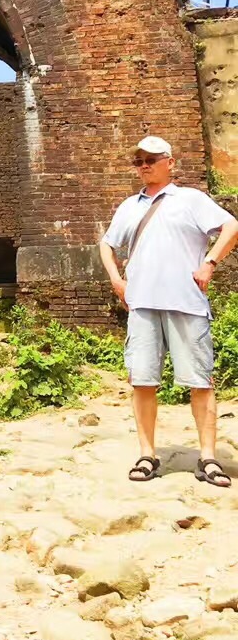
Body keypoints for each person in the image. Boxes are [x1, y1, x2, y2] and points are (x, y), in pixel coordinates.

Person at [99, 134, 238, 488]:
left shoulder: (189, 199)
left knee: (200, 382)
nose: (144, 166)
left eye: (151, 159)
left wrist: (209, 262)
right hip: (142, 304)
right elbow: (107, 244)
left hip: (185, 302)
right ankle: (147, 454)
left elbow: (231, 226)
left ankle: (208, 458)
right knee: (143, 381)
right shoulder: (130, 206)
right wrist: (117, 280)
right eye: (139, 161)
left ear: (170, 162)